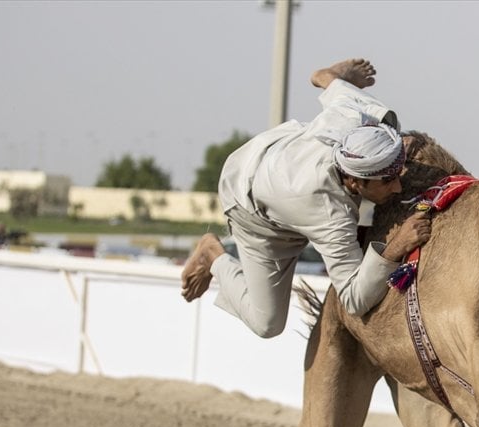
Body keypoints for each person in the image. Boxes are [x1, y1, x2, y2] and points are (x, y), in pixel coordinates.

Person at [180, 58, 431, 337]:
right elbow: (353, 299)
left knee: (382, 117)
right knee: (267, 324)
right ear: (354, 181)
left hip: (279, 155)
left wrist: (330, 80)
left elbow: (352, 109)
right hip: (249, 207)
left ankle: (332, 77)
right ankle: (211, 255)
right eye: (387, 181)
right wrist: (396, 247)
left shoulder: (353, 122)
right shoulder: (329, 216)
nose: (398, 188)